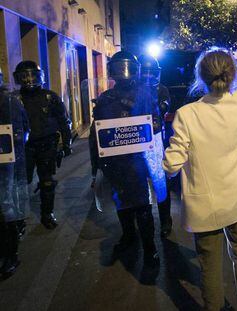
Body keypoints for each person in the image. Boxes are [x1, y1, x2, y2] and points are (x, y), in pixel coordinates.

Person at [163, 24, 237, 311]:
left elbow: (172, 164)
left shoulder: (186, 114)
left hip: (205, 205)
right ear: (232, 75)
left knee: (209, 264)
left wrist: (161, 165)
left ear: (201, 77)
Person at [89, 51, 164, 267]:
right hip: (115, 162)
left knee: (142, 206)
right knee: (122, 204)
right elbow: (97, 133)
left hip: (138, 160)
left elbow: (156, 123)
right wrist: (96, 166)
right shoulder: (105, 98)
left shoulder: (145, 94)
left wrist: (144, 126)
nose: (124, 72)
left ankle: (150, 248)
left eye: (127, 67)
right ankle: (129, 236)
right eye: (120, 67)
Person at [13, 61, 72, 229]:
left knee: (47, 181)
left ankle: (47, 213)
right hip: (24, 148)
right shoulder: (15, 100)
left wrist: (66, 143)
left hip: (47, 145)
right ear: (19, 79)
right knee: (22, 182)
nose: (29, 80)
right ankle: (18, 218)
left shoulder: (50, 97)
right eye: (25, 76)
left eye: (33, 75)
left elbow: (63, 121)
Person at [138, 54, 173, 238]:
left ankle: (166, 220)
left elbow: (165, 106)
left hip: (157, 140)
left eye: (152, 72)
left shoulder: (161, 89)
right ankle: (144, 223)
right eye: (146, 72)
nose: (149, 76)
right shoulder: (133, 89)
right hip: (137, 140)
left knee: (161, 182)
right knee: (139, 183)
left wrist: (159, 103)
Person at [0, 67, 30, 278]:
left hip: (5, 161)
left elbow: (19, 133)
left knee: (5, 204)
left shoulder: (8, 102)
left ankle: (10, 254)